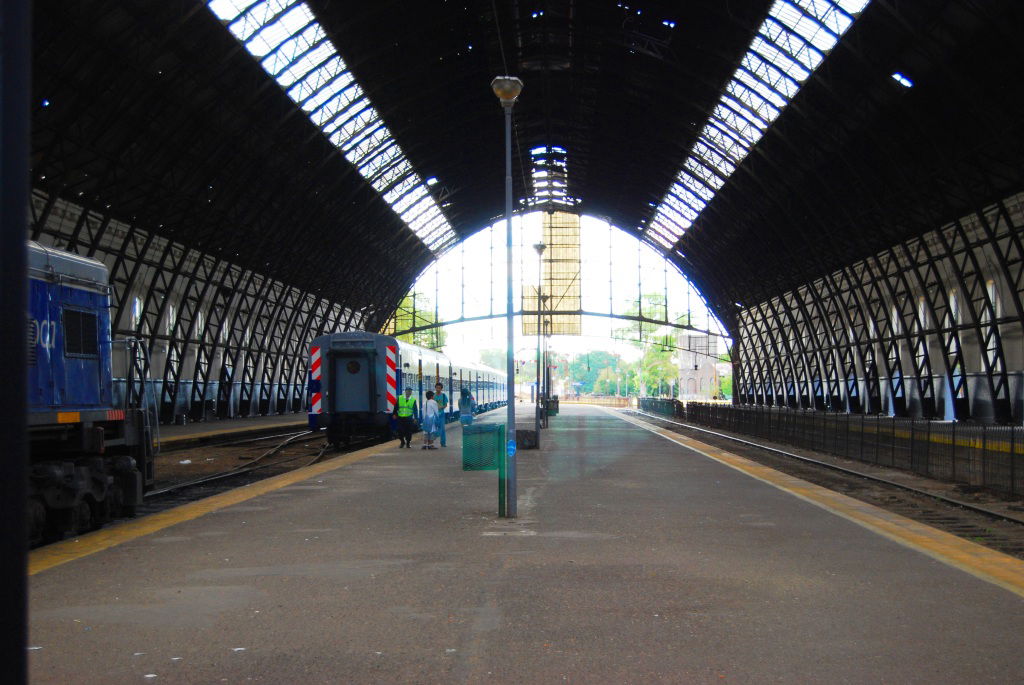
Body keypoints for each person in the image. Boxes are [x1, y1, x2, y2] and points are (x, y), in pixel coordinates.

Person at [433, 382, 449, 447]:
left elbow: (445, 405)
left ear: (441, 389)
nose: (438, 389)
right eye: (437, 388)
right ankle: (434, 437)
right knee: (434, 428)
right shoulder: (433, 396)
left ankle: (443, 443)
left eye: (439, 388)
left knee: (442, 429)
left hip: (441, 414)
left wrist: (441, 407)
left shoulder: (443, 396)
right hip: (434, 414)